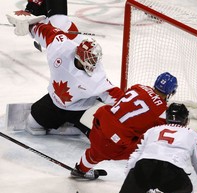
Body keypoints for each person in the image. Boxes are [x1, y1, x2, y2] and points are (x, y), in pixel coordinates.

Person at [6, 0, 123, 137]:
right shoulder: (60, 48)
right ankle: (64, 123)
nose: (94, 64)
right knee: (33, 125)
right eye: (90, 61)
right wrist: (29, 24)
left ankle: (75, 123)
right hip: (55, 103)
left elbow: (116, 96)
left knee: (102, 138)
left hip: (82, 108)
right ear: (80, 57)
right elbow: (46, 32)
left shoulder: (97, 76)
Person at [71, 72, 177, 193]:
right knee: (147, 151)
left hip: (99, 124)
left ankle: (80, 169)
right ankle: (144, 187)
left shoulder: (138, 87)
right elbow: (156, 133)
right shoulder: (162, 112)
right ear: (171, 92)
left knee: (96, 152)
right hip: (113, 143)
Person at [98, 103, 197, 193]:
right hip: (172, 173)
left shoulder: (151, 131)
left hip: (143, 168)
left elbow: (133, 160)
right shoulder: (194, 136)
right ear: (186, 120)